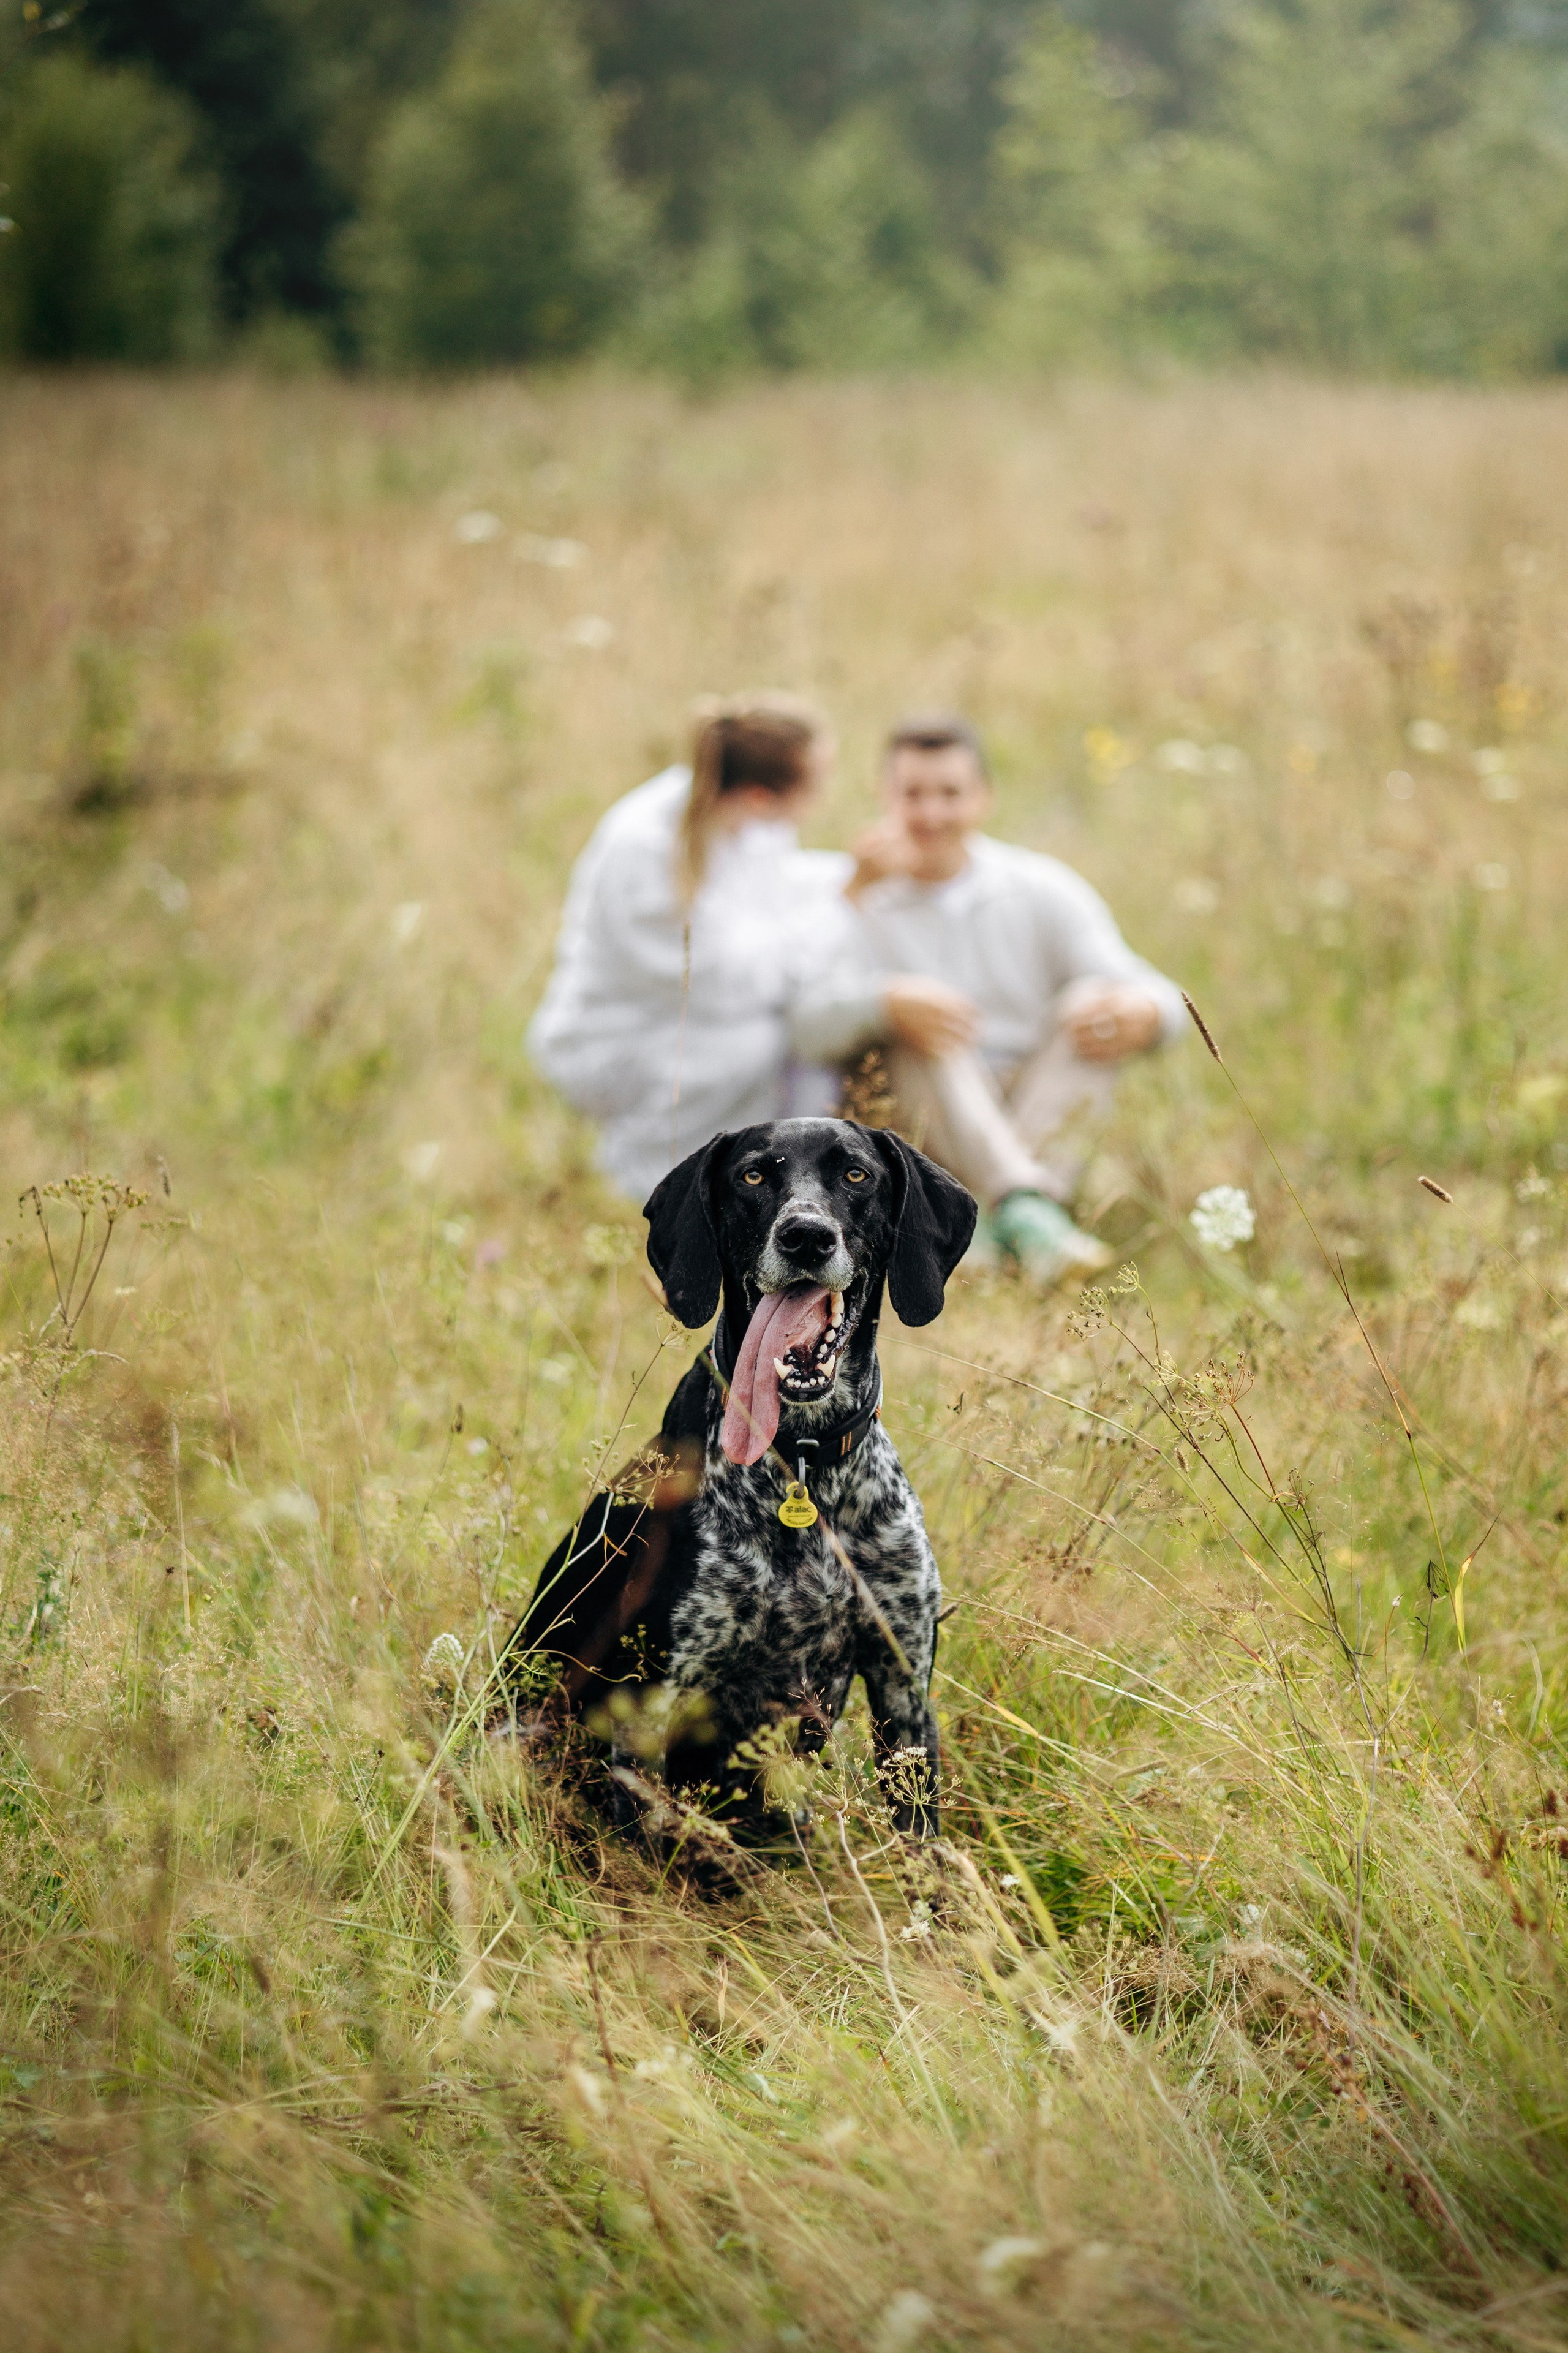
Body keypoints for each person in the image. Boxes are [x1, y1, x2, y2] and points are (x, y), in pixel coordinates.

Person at [790, 713, 1183, 1284]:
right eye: (912, 794)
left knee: (1094, 1000)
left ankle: (996, 1221)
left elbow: (1147, 985)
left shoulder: (1039, 887)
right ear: (884, 797)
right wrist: (886, 1001)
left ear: (983, 798)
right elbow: (805, 1026)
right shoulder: (855, 895)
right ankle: (1026, 1210)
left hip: (1028, 1098)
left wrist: (1148, 1013)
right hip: (922, 1110)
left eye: (950, 793)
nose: (930, 814)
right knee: (918, 1019)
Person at [529, 693, 845, 1200]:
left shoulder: (743, 817)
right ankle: (650, 1183)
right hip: (619, 1039)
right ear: (763, 796)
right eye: (820, 776)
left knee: (807, 1025)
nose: (829, 789)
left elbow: (779, 900)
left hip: (687, 1016)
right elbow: (729, 980)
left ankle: (780, 1183)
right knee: (765, 1041)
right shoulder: (648, 850)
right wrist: (847, 900)